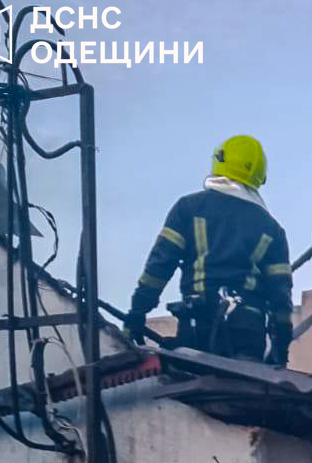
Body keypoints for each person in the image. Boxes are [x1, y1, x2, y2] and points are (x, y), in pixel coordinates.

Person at [125, 135, 293, 365]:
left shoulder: (188, 208)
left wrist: (137, 312)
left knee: (188, 379)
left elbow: (159, 266)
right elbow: (280, 297)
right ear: (259, 176)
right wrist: (280, 351)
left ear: (219, 161)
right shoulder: (272, 229)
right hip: (248, 336)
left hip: (198, 327)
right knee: (243, 385)